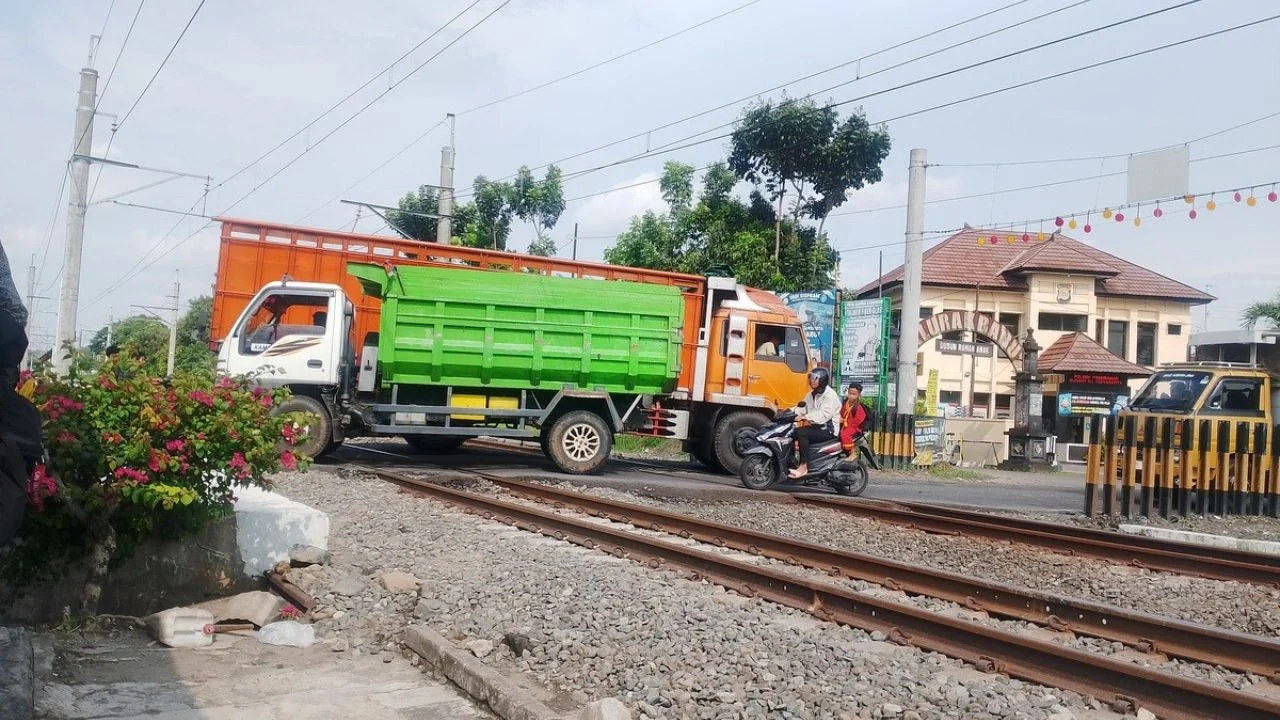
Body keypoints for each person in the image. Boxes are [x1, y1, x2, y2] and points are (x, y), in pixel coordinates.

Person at [788, 367, 840, 479]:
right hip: (817, 425)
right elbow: (802, 408)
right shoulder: (811, 394)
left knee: (802, 433)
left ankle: (803, 466)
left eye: (814, 378)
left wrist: (805, 417)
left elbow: (824, 415)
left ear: (822, 380)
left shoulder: (830, 395)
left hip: (828, 428)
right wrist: (787, 412)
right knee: (791, 431)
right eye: (810, 378)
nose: (811, 380)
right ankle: (790, 461)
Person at [840, 382, 870, 461]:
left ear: (859, 395)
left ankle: (853, 453)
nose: (851, 396)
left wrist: (846, 422)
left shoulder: (858, 407)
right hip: (844, 425)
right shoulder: (845, 403)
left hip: (854, 427)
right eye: (850, 393)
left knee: (845, 434)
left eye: (854, 394)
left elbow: (859, 419)